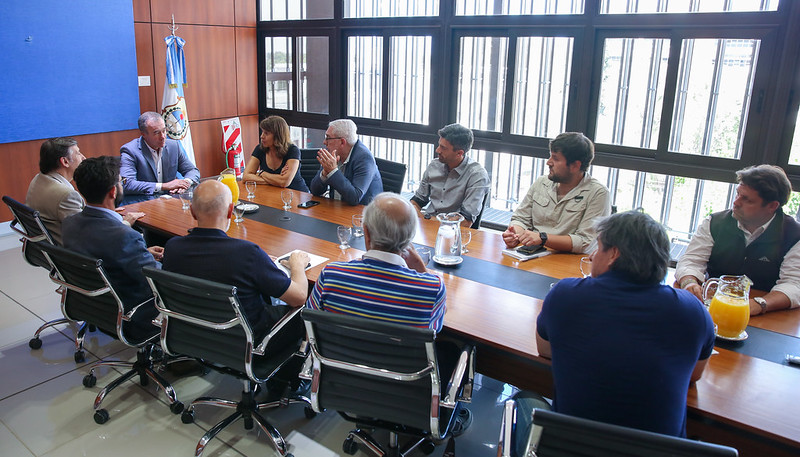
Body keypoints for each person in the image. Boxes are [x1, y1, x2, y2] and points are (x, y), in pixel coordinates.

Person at [537, 211, 715, 437]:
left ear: (613, 254)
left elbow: (545, 350)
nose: (592, 256)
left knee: (524, 400)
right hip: (660, 452)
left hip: (572, 447)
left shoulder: (565, 295)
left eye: (598, 247)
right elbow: (694, 375)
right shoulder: (693, 311)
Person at [162, 180, 310, 341]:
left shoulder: (172, 248)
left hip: (193, 336)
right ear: (230, 210)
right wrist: (297, 265)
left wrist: (261, 261)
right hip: (251, 343)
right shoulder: (247, 254)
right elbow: (299, 297)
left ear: (192, 211)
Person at [307, 192, 444, 329]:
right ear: (410, 238)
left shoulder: (331, 274)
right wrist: (421, 269)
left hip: (334, 350)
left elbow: (310, 325)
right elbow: (438, 316)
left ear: (366, 232)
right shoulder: (432, 289)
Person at [676, 164, 800, 315]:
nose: (736, 202)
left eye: (747, 199)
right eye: (738, 194)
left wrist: (758, 304)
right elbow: (691, 260)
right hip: (713, 306)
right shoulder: (715, 222)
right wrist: (689, 281)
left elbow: (793, 285)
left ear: (772, 206)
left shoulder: (794, 235)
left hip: (766, 314)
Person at [61, 156, 163, 340]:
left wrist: (141, 254)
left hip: (95, 308)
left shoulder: (69, 224)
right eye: (122, 181)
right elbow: (160, 280)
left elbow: (103, 253)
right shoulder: (124, 236)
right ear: (113, 191)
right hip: (135, 315)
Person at [502, 132, 610, 253]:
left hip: (568, 262)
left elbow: (585, 242)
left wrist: (543, 238)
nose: (549, 162)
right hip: (531, 254)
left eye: (556, 158)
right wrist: (516, 234)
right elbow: (520, 218)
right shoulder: (541, 182)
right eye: (550, 156)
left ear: (575, 165)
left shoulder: (598, 193)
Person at [410, 123, 489, 227]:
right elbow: (417, 201)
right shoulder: (434, 165)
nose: (437, 150)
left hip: (454, 233)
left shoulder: (477, 175)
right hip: (427, 225)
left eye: (443, 148)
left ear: (459, 153)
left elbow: (465, 222)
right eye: (439, 145)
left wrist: (426, 220)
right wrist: (412, 211)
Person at [120, 111, 200, 195]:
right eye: (156, 133)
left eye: (164, 131)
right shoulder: (130, 151)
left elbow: (192, 170)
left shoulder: (173, 146)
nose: (163, 137)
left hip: (170, 200)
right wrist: (164, 186)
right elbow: (127, 184)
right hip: (144, 202)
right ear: (143, 134)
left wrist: (184, 183)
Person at [25, 137, 85, 244]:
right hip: (72, 254)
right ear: (65, 162)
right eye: (78, 153)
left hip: (46, 249)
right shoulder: (66, 195)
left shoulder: (38, 179)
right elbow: (85, 234)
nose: (83, 158)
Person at [309, 119, 382, 205]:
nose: (324, 142)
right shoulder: (333, 153)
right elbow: (314, 191)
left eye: (328, 138)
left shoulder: (364, 158)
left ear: (342, 142)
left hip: (362, 213)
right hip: (337, 208)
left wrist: (332, 171)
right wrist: (324, 174)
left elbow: (355, 197)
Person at [241, 115, 309, 192]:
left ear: (277, 136)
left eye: (266, 133)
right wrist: (276, 180)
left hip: (298, 195)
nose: (261, 136)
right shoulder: (260, 149)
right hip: (274, 193)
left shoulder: (293, 150)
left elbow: (284, 182)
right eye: (262, 132)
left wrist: (262, 173)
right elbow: (246, 177)